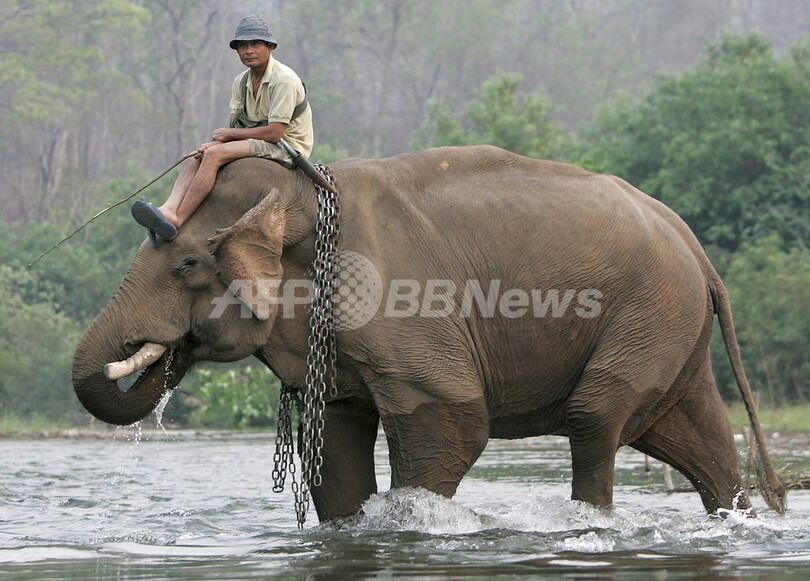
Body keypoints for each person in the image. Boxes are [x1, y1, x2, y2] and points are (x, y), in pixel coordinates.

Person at [131, 14, 313, 245]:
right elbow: (236, 125)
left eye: (255, 44)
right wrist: (217, 142)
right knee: (196, 156)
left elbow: (275, 133)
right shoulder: (241, 81)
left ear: (270, 47)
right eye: (242, 46)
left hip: (287, 147)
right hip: (259, 139)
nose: (248, 51)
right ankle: (168, 209)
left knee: (215, 155)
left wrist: (227, 138)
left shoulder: (284, 80)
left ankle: (178, 220)